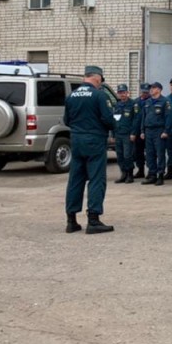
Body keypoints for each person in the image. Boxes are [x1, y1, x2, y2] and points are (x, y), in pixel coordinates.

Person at [63, 66, 115, 234]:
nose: (100, 84)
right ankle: (93, 220)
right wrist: (115, 127)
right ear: (97, 78)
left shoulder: (71, 95)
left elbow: (66, 120)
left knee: (75, 180)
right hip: (94, 140)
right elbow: (108, 119)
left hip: (76, 140)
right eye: (100, 81)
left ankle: (71, 221)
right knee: (96, 179)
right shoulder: (99, 95)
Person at [137, 81, 171, 185]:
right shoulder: (148, 101)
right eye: (151, 88)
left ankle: (160, 175)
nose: (151, 90)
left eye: (153, 88)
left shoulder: (165, 101)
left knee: (160, 154)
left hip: (159, 131)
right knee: (149, 154)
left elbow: (168, 117)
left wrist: (166, 131)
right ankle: (152, 175)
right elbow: (144, 117)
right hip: (148, 131)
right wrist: (142, 131)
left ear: (159, 90)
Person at [112, 83, 139, 184]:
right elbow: (114, 120)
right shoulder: (117, 105)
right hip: (118, 134)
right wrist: (113, 135)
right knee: (120, 155)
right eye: (120, 92)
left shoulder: (133, 104)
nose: (122, 94)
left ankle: (130, 175)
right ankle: (123, 174)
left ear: (127, 92)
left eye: (123, 92)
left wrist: (133, 133)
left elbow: (136, 120)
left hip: (128, 134)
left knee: (127, 155)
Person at [133, 83, 149, 178]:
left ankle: (151, 171)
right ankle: (140, 170)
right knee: (138, 152)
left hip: (148, 130)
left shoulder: (151, 101)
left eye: (146, 92)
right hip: (138, 130)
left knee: (150, 152)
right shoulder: (136, 102)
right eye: (143, 92)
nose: (145, 94)